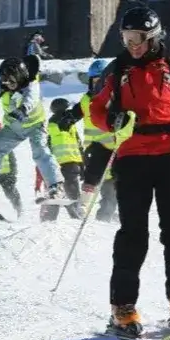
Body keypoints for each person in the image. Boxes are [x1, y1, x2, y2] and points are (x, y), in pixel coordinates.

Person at [88, 6, 170, 337]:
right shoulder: (116, 71)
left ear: (154, 37)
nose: (133, 45)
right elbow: (96, 109)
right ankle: (123, 307)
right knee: (133, 234)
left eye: (138, 39)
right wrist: (111, 120)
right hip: (131, 158)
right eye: (127, 38)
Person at [0, 56, 64, 200]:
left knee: (40, 151)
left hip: (35, 125)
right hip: (14, 127)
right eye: (4, 80)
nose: (7, 83)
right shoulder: (2, 84)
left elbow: (31, 97)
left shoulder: (31, 83)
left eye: (11, 80)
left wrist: (23, 109)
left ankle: (56, 186)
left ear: (19, 77)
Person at [57, 59, 118, 222]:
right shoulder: (87, 99)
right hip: (95, 146)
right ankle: (82, 206)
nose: (98, 85)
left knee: (112, 187)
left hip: (116, 148)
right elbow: (76, 112)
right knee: (93, 174)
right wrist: (68, 118)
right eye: (95, 81)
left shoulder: (115, 98)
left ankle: (106, 216)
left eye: (102, 81)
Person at [44, 98, 84, 220]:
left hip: (68, 162)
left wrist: (82, 164)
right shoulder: (57, 121)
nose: (68, 112)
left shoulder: (68, 124)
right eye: (66, 109)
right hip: (64, 162)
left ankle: (53, 217)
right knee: (66, 189)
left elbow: (78, 144)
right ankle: (74, 214)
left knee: (64, 188)